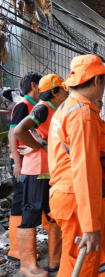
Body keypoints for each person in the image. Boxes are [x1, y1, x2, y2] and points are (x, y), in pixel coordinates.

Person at [48, 55, 105, 277]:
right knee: (82, 266)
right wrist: (89, 226)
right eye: (104, 80)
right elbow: (85, 170)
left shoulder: (67, 108)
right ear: (97, 81)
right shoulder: (82, 114)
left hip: (70, 197)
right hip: (78, 200)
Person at [14, 74, 68, 276]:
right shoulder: (43, 108)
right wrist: (39, 147)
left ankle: (55, 261)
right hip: (36, 171)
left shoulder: (57, 110)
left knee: (54, 215)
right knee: (30, 215)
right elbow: (20, 130)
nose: (67, 92)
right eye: (63, 89)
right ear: (54, 92)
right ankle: (27, 265)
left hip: (51, 172)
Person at [7, 72, 42, 263]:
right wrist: (17, 163)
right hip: (20, 160)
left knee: (26, 201)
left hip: (28, 160)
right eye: (42, 85)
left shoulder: (34, 106)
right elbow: (13, 134)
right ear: (35, 86)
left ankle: (23, 248)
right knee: (19, 202)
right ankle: (16, 250)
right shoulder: (23, 105)